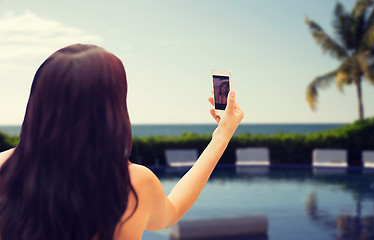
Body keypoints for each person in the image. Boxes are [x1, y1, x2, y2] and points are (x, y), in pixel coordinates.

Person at [0, 44, 243, 240]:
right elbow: (173, 210)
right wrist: (222, 135)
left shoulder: (3, 168)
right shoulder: (133, 184)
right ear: (112, 111)